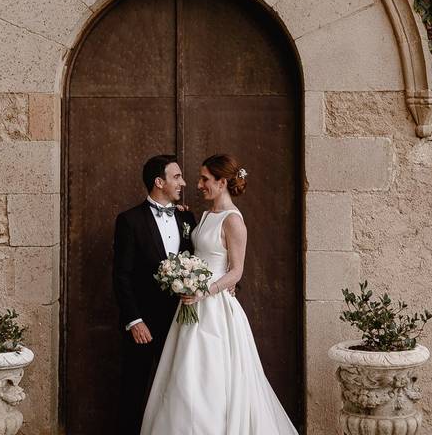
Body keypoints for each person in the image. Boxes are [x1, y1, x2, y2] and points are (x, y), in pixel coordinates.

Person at [140, 153, 298, 435]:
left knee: (211, 377)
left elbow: (236, 271)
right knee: (183, 376)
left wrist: (203, 291)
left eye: (204, 179)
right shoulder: (201, 215)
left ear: (222, 182)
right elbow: (197, 249)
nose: (198, 184)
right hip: (189, 306)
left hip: (214, 308)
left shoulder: (234, 221)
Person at [112, 154, 197, 435]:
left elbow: (201, 259)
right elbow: (121, 275)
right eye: (176, 177)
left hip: (183, 320)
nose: (183, 183)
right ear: (159, 182)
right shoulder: (129, 220)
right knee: (134, 387)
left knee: (180, 386)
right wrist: (134, 320)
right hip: (145, 322)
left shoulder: (187, 216)